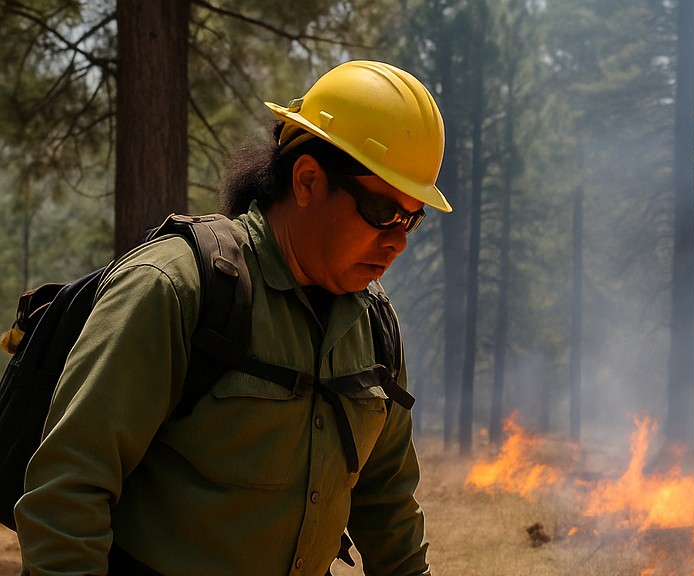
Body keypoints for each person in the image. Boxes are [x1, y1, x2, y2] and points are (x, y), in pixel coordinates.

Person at [14, 60, 450, 576]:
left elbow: (389, 508)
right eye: (383, 212)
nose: (398, 240)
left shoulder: (375, 330)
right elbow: (67, 493)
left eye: (412, 219)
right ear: (308, 180)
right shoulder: (176, 287)